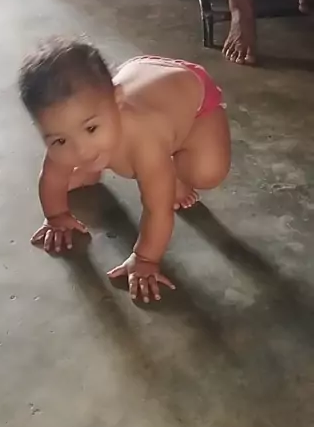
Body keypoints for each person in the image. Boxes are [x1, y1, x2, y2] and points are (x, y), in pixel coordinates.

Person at [19, 39, 231, 304]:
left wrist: (145, 259)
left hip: (190, 94)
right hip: (137, 80)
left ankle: (176, 167)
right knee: (81, 158)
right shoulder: (69, 125)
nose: (81, 150)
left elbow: (158, 210)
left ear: (117, 100)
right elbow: (51, 178)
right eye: (59, 140)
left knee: (206, 173)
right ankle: (103, 154)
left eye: (91, 129)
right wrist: (56, 217)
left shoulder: (145, 142)